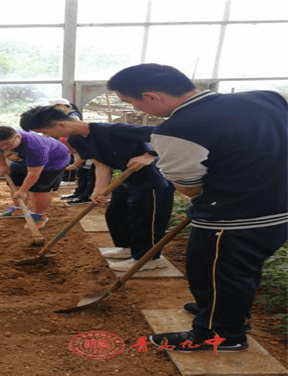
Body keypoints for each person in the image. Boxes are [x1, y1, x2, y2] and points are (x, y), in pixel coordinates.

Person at [107, 63, 288, 352]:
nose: (138, 108)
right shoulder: (266, 97)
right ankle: (223, 312)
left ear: (151, 96)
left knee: (211, 272)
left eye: (132, 101)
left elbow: (189, 187)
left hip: (232, 217)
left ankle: (220, 334)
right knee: (241, 269)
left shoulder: (176, 129)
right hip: (279, 209)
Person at [19, 106, 175, 270]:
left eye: (45, 132)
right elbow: (101, 164)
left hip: (153, 180)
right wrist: (98, 190)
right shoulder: (76, 139)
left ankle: (149, 259)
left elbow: (169, 135)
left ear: (60, 125)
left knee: (144, 220)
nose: (48, 136)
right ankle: (128, 249)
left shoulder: (111, 130)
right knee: (115, 214)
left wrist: (149, 155)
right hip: (128, 179)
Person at [0, 126, 69, 229]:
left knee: (39, 190)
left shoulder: (36, 147)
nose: (3, 148)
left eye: (6, 144)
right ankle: (19, 209)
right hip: (21, 160)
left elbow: (33, 172)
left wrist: (24, 190)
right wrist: (2, 165)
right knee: (16, 184)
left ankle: (39, 215)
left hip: (52, 162)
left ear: (18, 137)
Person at [47, 98, 97, 206]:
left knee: (89, 173)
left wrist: (75, 164)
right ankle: (80, 192)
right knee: (83, 173)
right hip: (82, 149)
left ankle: (87, 195)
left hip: (91, 150)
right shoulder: (69, 137)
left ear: (61, 106)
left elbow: (83, 152)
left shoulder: (73, 117)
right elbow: (77, 151)